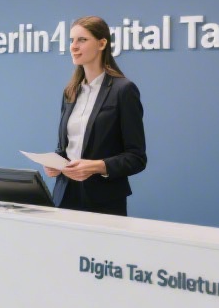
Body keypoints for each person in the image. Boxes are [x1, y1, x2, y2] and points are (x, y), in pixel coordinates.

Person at [44, 15, 147, 216]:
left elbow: (136, 158)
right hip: (64, 195)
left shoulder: (123, 90)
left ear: (102, 44)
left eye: (82, 40)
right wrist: (56, 163)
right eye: (71, 40)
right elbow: (65, 148)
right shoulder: (71, 91)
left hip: (103, 201)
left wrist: (97, 166)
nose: (73, 46)